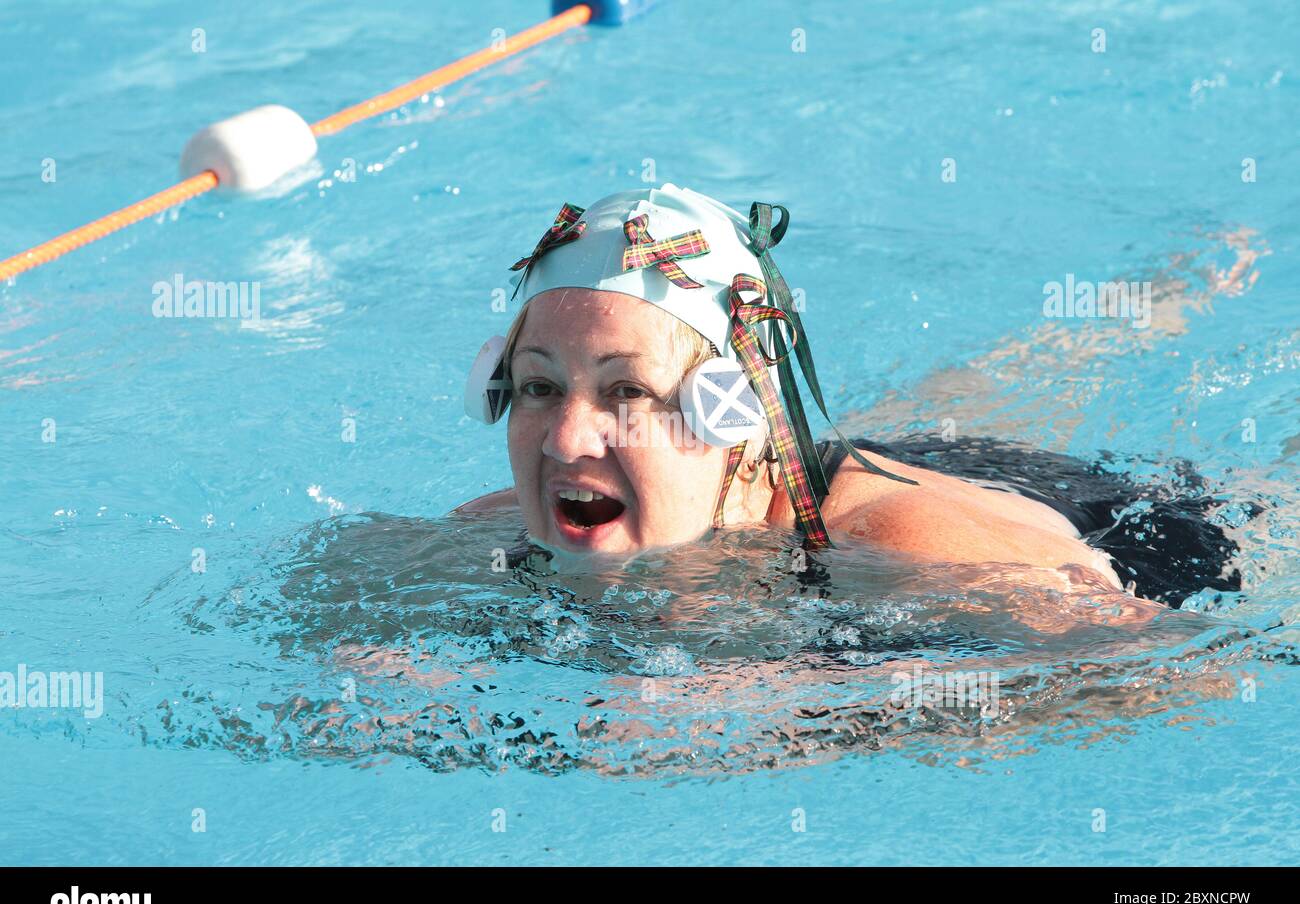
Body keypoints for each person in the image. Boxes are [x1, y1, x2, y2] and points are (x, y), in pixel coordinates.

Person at [457, 184, 1244, 609]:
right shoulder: (493, 531)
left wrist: (796, 709)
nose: (565, 440)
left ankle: (1186, 285)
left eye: (627, 390)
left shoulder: (908, 550)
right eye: (538, 387)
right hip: (870, 463)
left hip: (1141, 526)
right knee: (977, 397)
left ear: (735, 413)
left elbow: (1166, 676)